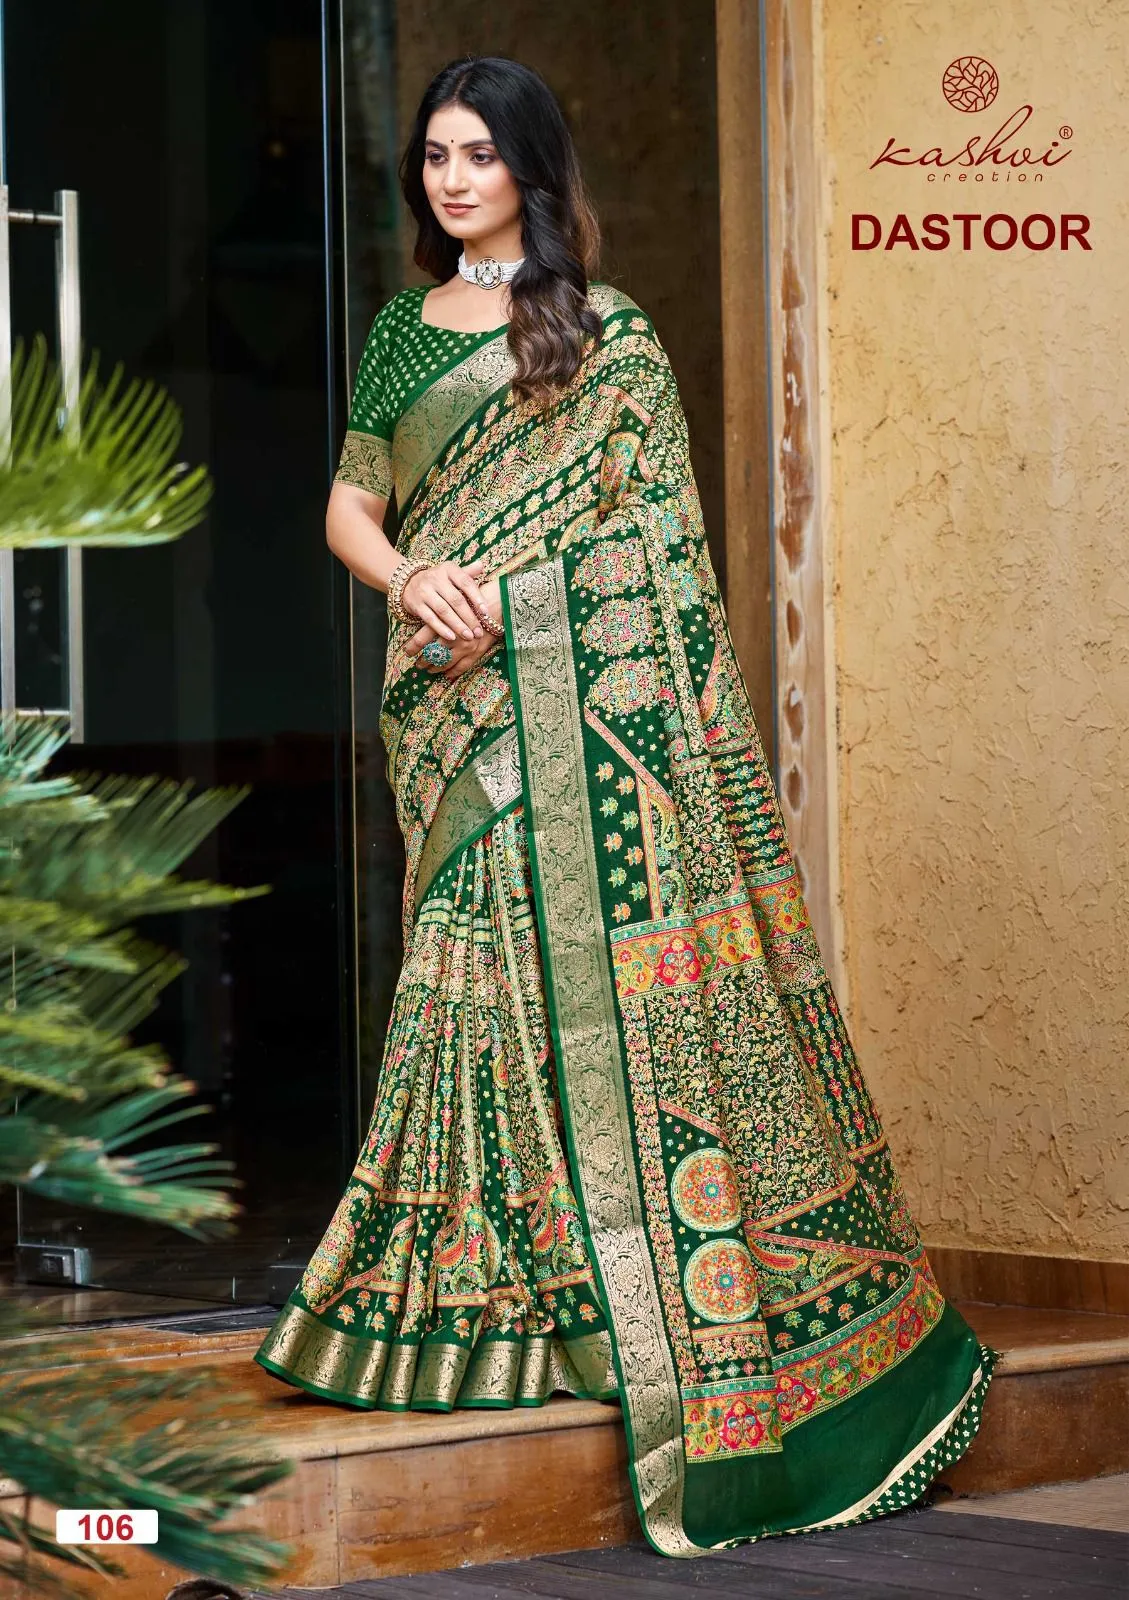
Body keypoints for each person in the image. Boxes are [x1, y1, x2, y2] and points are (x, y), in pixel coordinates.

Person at [254, 54, 993, 1556]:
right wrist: (413, 575)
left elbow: (658, 547)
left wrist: (521, 606)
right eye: (435, 157)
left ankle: (611, 1303)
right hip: (456, 716)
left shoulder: (610, 335)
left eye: (480, 154)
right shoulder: (402, 333)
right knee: (468, 977)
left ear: (531, 167)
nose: (454, 179)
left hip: (590, 727)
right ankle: (467, 1298)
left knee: (569, 988)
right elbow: (349, 506)